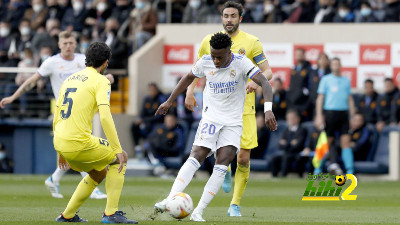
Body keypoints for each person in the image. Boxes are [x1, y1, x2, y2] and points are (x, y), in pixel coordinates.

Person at [154, 32, 277, 222]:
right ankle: (169, 198)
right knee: (196, 156)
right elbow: (187, 78)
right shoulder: (205, 61)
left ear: (229, 52)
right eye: (213, 56)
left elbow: (265, 84)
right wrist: (170, 101)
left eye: (219, 56)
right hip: (211, 119)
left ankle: (198, 211)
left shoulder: (241, 62)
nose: (215, 60)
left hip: (234, 123)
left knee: (223, 164)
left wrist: (268, 110)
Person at [184, 1, 274, 217]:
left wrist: (256, 82)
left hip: (244, 108)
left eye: (233, 16)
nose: (229, 20)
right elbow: (196, 70)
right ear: (221, 17)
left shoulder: (251, 42)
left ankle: (235, 203)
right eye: (226, 16)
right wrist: (189, 91)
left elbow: (268, 72)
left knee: (243, 158)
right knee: (213, 152)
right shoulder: (209, 41)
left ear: (240, 19)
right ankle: (222, 165)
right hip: (216, 108)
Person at [0, 31, 112, 199]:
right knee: (78, 148)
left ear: (75, 44)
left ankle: (54, 178)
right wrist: (13, 97)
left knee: (74, 150)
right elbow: (32, 81)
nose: (68, 46)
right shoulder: (52, 62)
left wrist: (106, 77)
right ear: (59, 45)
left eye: (71, 43)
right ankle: (90, 187)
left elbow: (97, 75)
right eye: (64, 43)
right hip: (63, 111)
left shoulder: (83, 60)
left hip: (83, 109)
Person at [53, 42, 137, 224]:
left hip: (60, 141)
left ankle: (67, 215)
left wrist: (59, 150)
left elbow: (57, 114)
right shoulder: (102, 81)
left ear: (86, 59)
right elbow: (105, 117)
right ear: (106, 62)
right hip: (78, 143)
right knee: (120, 158)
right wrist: (117, 148)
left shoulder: (70, 79)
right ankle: (110, 214)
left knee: (98, 173)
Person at [315, 57, 356, 175]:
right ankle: (318, 169)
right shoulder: (326, 79)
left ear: (340, 65)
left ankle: (350, 171)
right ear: (331, 66)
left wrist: (352, 116)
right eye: (333, 64)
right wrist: (319, 115)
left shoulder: (346, 80)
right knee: (326, 142)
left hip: (343, 114)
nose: (336, 66)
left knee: (346, 142)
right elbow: (320, 98)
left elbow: (350, 99)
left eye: (338, 64)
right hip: (330, 113)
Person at [270, 109, 307, 177]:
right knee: (274, 159)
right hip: (286, 152)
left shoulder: (302, 130)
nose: (291, 120)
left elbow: (298, 145)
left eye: (292, 118)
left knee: (287, 158)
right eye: (289, 118)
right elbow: (280, 145)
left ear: (298, 119)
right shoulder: (286, 130)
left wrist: (286, 144)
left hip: (297, 153)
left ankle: (284, 176)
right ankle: (274, 176)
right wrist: (290, 143)